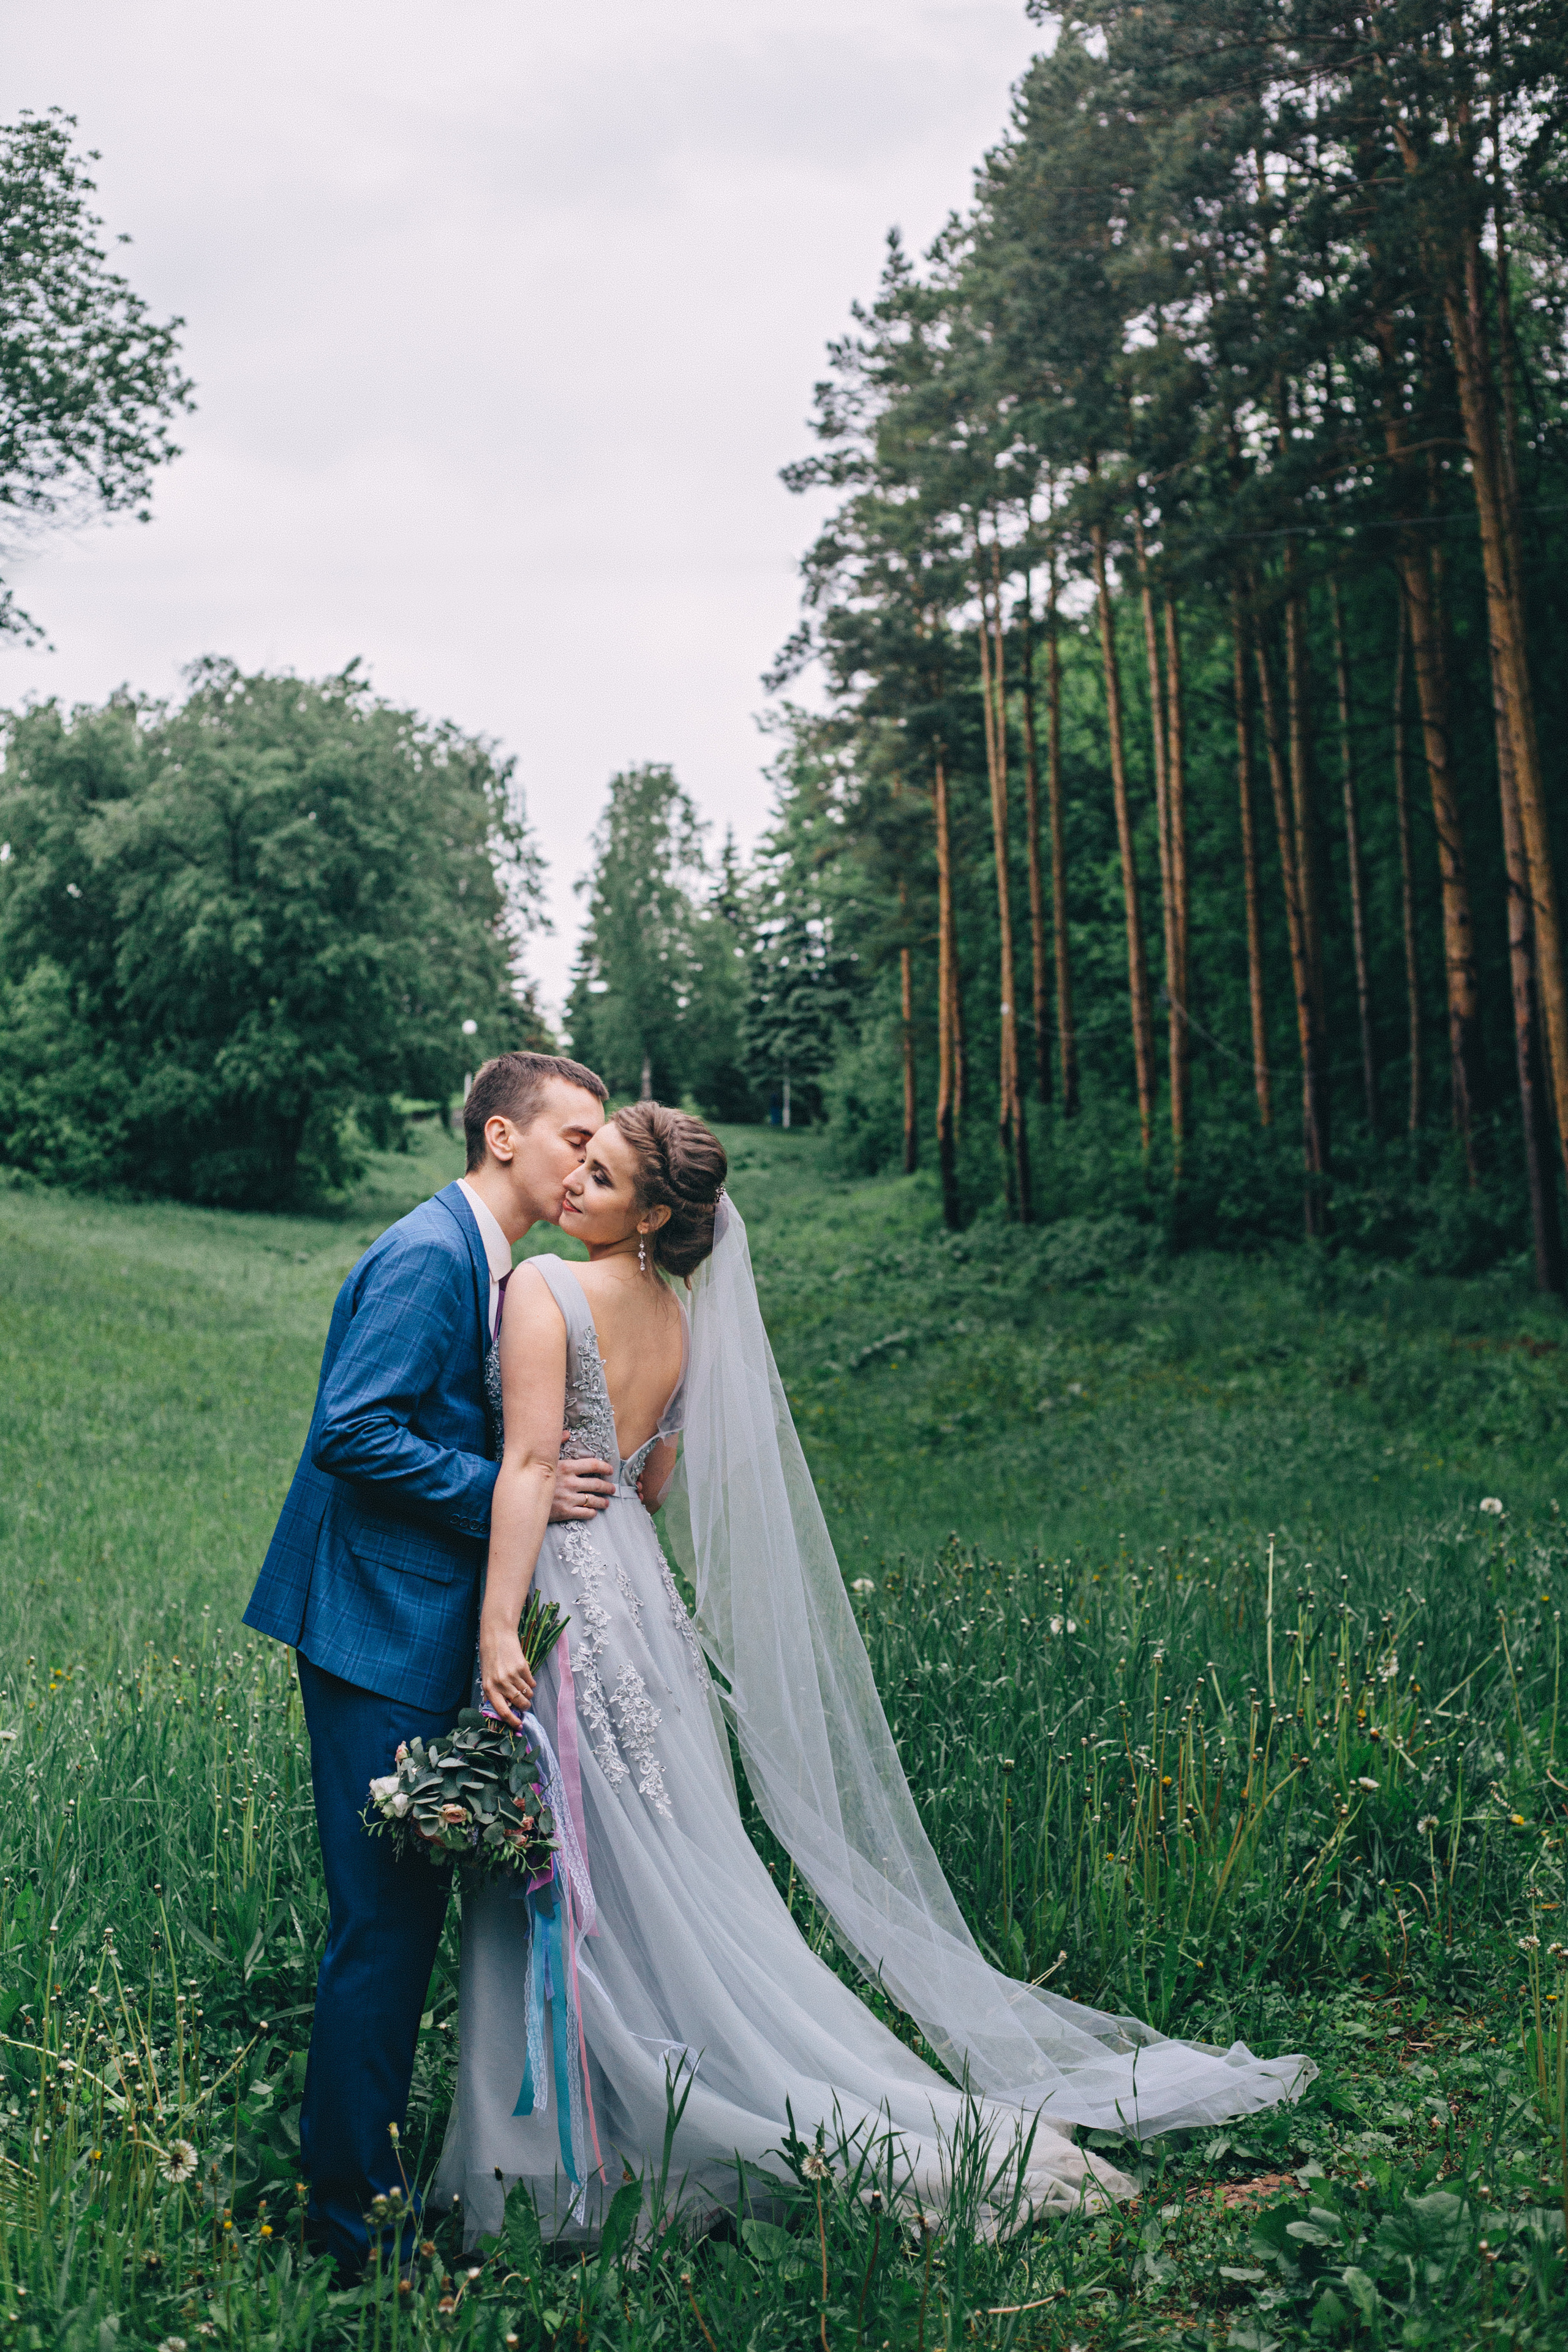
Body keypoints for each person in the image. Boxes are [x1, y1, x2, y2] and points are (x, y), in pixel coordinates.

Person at [435, 1101, 1314, 2243]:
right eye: (580, 1167)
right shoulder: (684, 1319)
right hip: (641, 1601)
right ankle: (608, 2115)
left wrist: (501, 1627)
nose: (573, 1190)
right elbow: (647, 1491)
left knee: (563, 1866)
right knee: (643, 1868)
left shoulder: (543, 1291)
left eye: (600, 1180)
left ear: (653, 1213)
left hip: (558, 1589)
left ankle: (551, 2161)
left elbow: (532, 1466)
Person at [243, 1050, 619, 2278]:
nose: (588, 1159)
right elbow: (352, 1432)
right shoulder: (425, 1254)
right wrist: (515, 1497)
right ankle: (348, 2233)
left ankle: (381, 2184)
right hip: (371, 1631)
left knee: (400, 1924)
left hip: (412, 1622)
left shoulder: (504, 1263)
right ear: (503, 1139)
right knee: (383, 1930)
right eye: (573, 1137)